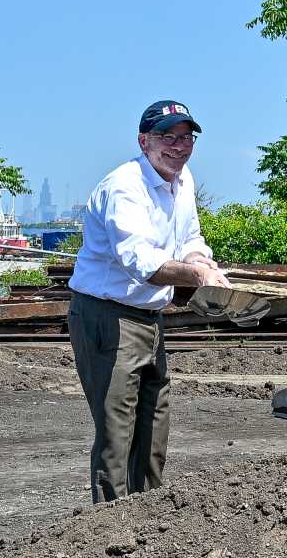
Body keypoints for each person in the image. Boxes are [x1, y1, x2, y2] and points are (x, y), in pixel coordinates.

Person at [68, 100, 230, 503]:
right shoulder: (124, 187)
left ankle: (148, 518)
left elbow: (189, 236)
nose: (179, 146)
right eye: (167, 137)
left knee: (154, 425)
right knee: (116, 432)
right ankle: (109, 523)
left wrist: (200, 260)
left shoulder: (182, 178)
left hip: (150, 315)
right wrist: (198, 276)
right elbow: (141, 263)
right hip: (109, 316)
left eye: (186, 138)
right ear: (144, 142)